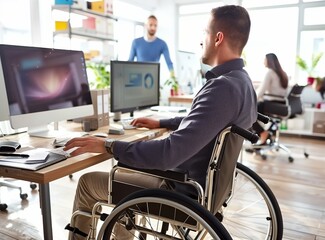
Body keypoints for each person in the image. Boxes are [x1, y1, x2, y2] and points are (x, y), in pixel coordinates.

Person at [65, 5, 257, 239]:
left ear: (218, 38)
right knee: (126, 169)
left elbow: (168, 154)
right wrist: (161, 122)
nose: (200, 41)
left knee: (88, 182)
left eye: (204, 33)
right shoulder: (242, 82)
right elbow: (205, 121)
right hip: (204, 186)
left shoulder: (221, 87)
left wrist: (108, 145)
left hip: (180, 189)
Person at [252, 53, 289, 144]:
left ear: (269, 61)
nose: (263, 62)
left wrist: (251, 99)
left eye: (264, 59)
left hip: (271, 104)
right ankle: (264, 137)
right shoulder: (283, 73)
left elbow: (261, 90)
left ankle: (262, 133)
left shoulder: (270, 72)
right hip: (282, 104)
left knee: (249, 112)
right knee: (256, 113)